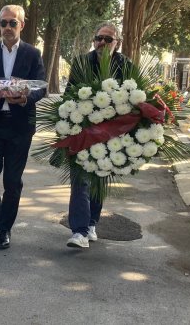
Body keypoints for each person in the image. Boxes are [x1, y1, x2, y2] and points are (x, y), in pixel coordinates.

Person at [0, 5, 46, 250]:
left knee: (13, 181)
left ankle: (5, 228)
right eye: (3, 23)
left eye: (12, 23)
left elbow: (41, 87)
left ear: (21, 25)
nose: (6, 27)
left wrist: (26, 98)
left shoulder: (32, 53)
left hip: (20, 126)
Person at [65, 22, 132, 248]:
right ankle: (79, 231)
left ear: (117, 43)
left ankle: (92, 222)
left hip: (112, 134)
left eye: (107, 39)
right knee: (80, 180)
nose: (101, 43)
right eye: (98, 38)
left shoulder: (126, 66)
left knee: (98, 178)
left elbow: (134, 100)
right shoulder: (82, 62)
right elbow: (69, 95)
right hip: (83, 130)